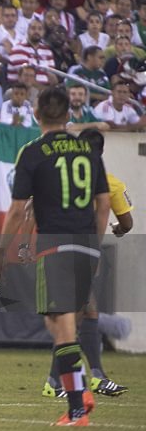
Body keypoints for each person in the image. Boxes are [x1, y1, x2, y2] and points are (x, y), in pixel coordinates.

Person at [0, 87, 110, 426]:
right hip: (86, 243)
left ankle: (77, 408)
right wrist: (96, 244)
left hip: (56, 245)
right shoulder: (89, 150)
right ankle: (80, 393)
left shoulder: (33, 152)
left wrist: (1, 252)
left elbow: (18, 210)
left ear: (35, 114)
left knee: (61, 327)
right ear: (69, 114)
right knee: (60, 323)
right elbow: (103, 203)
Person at [38, 129, 130, 401]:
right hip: (84, 252)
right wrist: (116, 230)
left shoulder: (58, 177)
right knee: (78, 316)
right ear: (101, 153)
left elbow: (33, 208)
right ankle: (73, 380)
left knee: (80, 314)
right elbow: (127, 223)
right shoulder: (109, 183)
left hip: (55, 248)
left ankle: (66, 379)